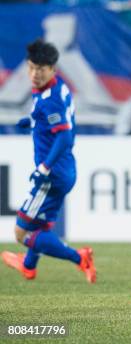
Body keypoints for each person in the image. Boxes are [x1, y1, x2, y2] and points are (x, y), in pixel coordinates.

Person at [1, 40, 96, 284]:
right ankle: (28, 266)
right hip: (65, 170)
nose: (34, 74)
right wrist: (32, 120)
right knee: (42, 227)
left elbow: (64, 137)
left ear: (53, 69)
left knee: (22, 232)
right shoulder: (56, 88)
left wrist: (44, 168)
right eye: (31, 67)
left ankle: (79, 257)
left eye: (40, 70)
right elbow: (51, 119)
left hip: (51, 175)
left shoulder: (50, 98)